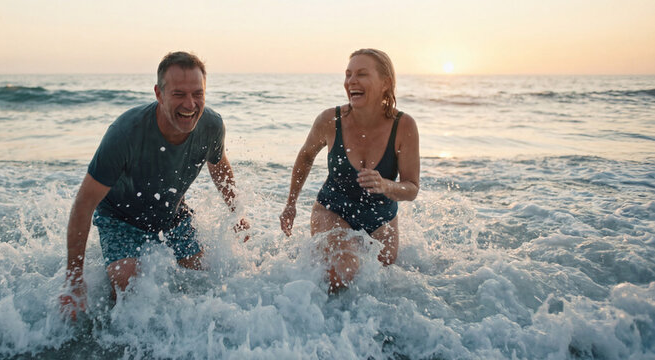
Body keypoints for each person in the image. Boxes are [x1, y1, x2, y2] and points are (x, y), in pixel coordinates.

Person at [60, 51, 250, 319]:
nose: (190, 104)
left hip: (171, 215)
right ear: (159, 94)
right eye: (179, 94)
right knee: (126, 283)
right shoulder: (126, 133)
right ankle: (111, 332)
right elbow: (84, 203)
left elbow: (218, 165)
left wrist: (236, 212)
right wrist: (74, 280)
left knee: (200, 277)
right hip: (120, 218)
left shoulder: (211, 125)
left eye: (197, 94)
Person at [279, 48, 419, 293]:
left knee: (380, 286)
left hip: (381, 219)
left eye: (361, 74)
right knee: (342, 271)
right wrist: (291, 204)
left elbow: (411, 188)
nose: (351, 81)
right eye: (348, 74)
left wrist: (386, 185)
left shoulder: (404, 126)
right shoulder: (330, 120)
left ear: (386, 83)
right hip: (333, 210)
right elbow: (306, 156)